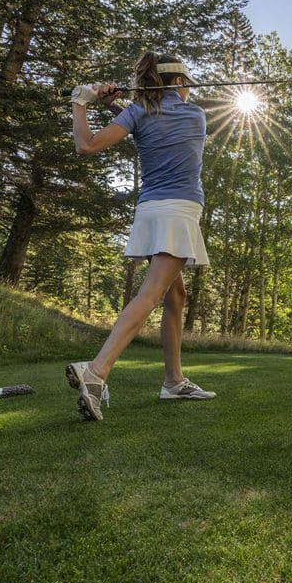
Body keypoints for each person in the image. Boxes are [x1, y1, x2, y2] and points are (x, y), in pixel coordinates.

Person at [66, 51, 216, 421]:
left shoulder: (137, 112)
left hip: (150, 212)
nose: (189, 89)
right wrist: (115, 104)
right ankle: (96, 371)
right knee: (152, 294)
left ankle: (173, 381)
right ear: (178, 82)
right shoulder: (195, 115)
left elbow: (87, 145)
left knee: (175, 295)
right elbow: (161, 119)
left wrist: (83, 104)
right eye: (187, 83)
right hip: (179, 212)